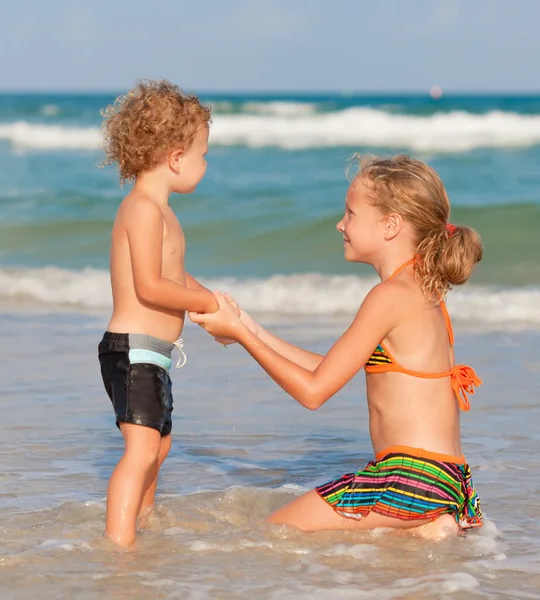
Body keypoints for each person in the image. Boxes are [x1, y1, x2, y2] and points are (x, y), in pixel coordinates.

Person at [191, 155, 484, 539]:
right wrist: (252, 330)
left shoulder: (388, 295)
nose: (340, 223)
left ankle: (419, 524)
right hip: (447, 481)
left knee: (265, 536)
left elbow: (314, 392)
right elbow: (332, 367)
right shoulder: (423, 291)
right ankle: (424, 527)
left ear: (390, 225)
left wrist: (242, 336)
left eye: (350, 213)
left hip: (408, 478)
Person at [97, 80, 218, 548]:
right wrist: (202, 304)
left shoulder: (163, 212)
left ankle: (143, 520)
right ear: (175, 157)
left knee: (158, 446)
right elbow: (150, 285)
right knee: (141, 448)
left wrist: (216, 304)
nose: (205, 164)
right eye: (203, 155)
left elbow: (179, 278)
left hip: (153, 354)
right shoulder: (144, 209)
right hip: (132, 351)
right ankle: (118, 544)